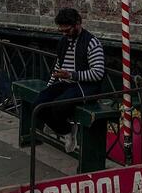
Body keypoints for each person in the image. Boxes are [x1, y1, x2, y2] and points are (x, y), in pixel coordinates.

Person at [33, 8, 105, 136]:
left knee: (58, 106)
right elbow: (58, 66)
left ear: (77, 24)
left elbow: (98, 73)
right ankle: (63, 130)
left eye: (67, 30)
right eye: (62, 31)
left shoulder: (92, 43)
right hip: (65, 84)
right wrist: (49, 87)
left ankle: (66, 131)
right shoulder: (63, 42)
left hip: (85, 87)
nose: (65, 34)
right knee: (39, 103)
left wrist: (71, 75)